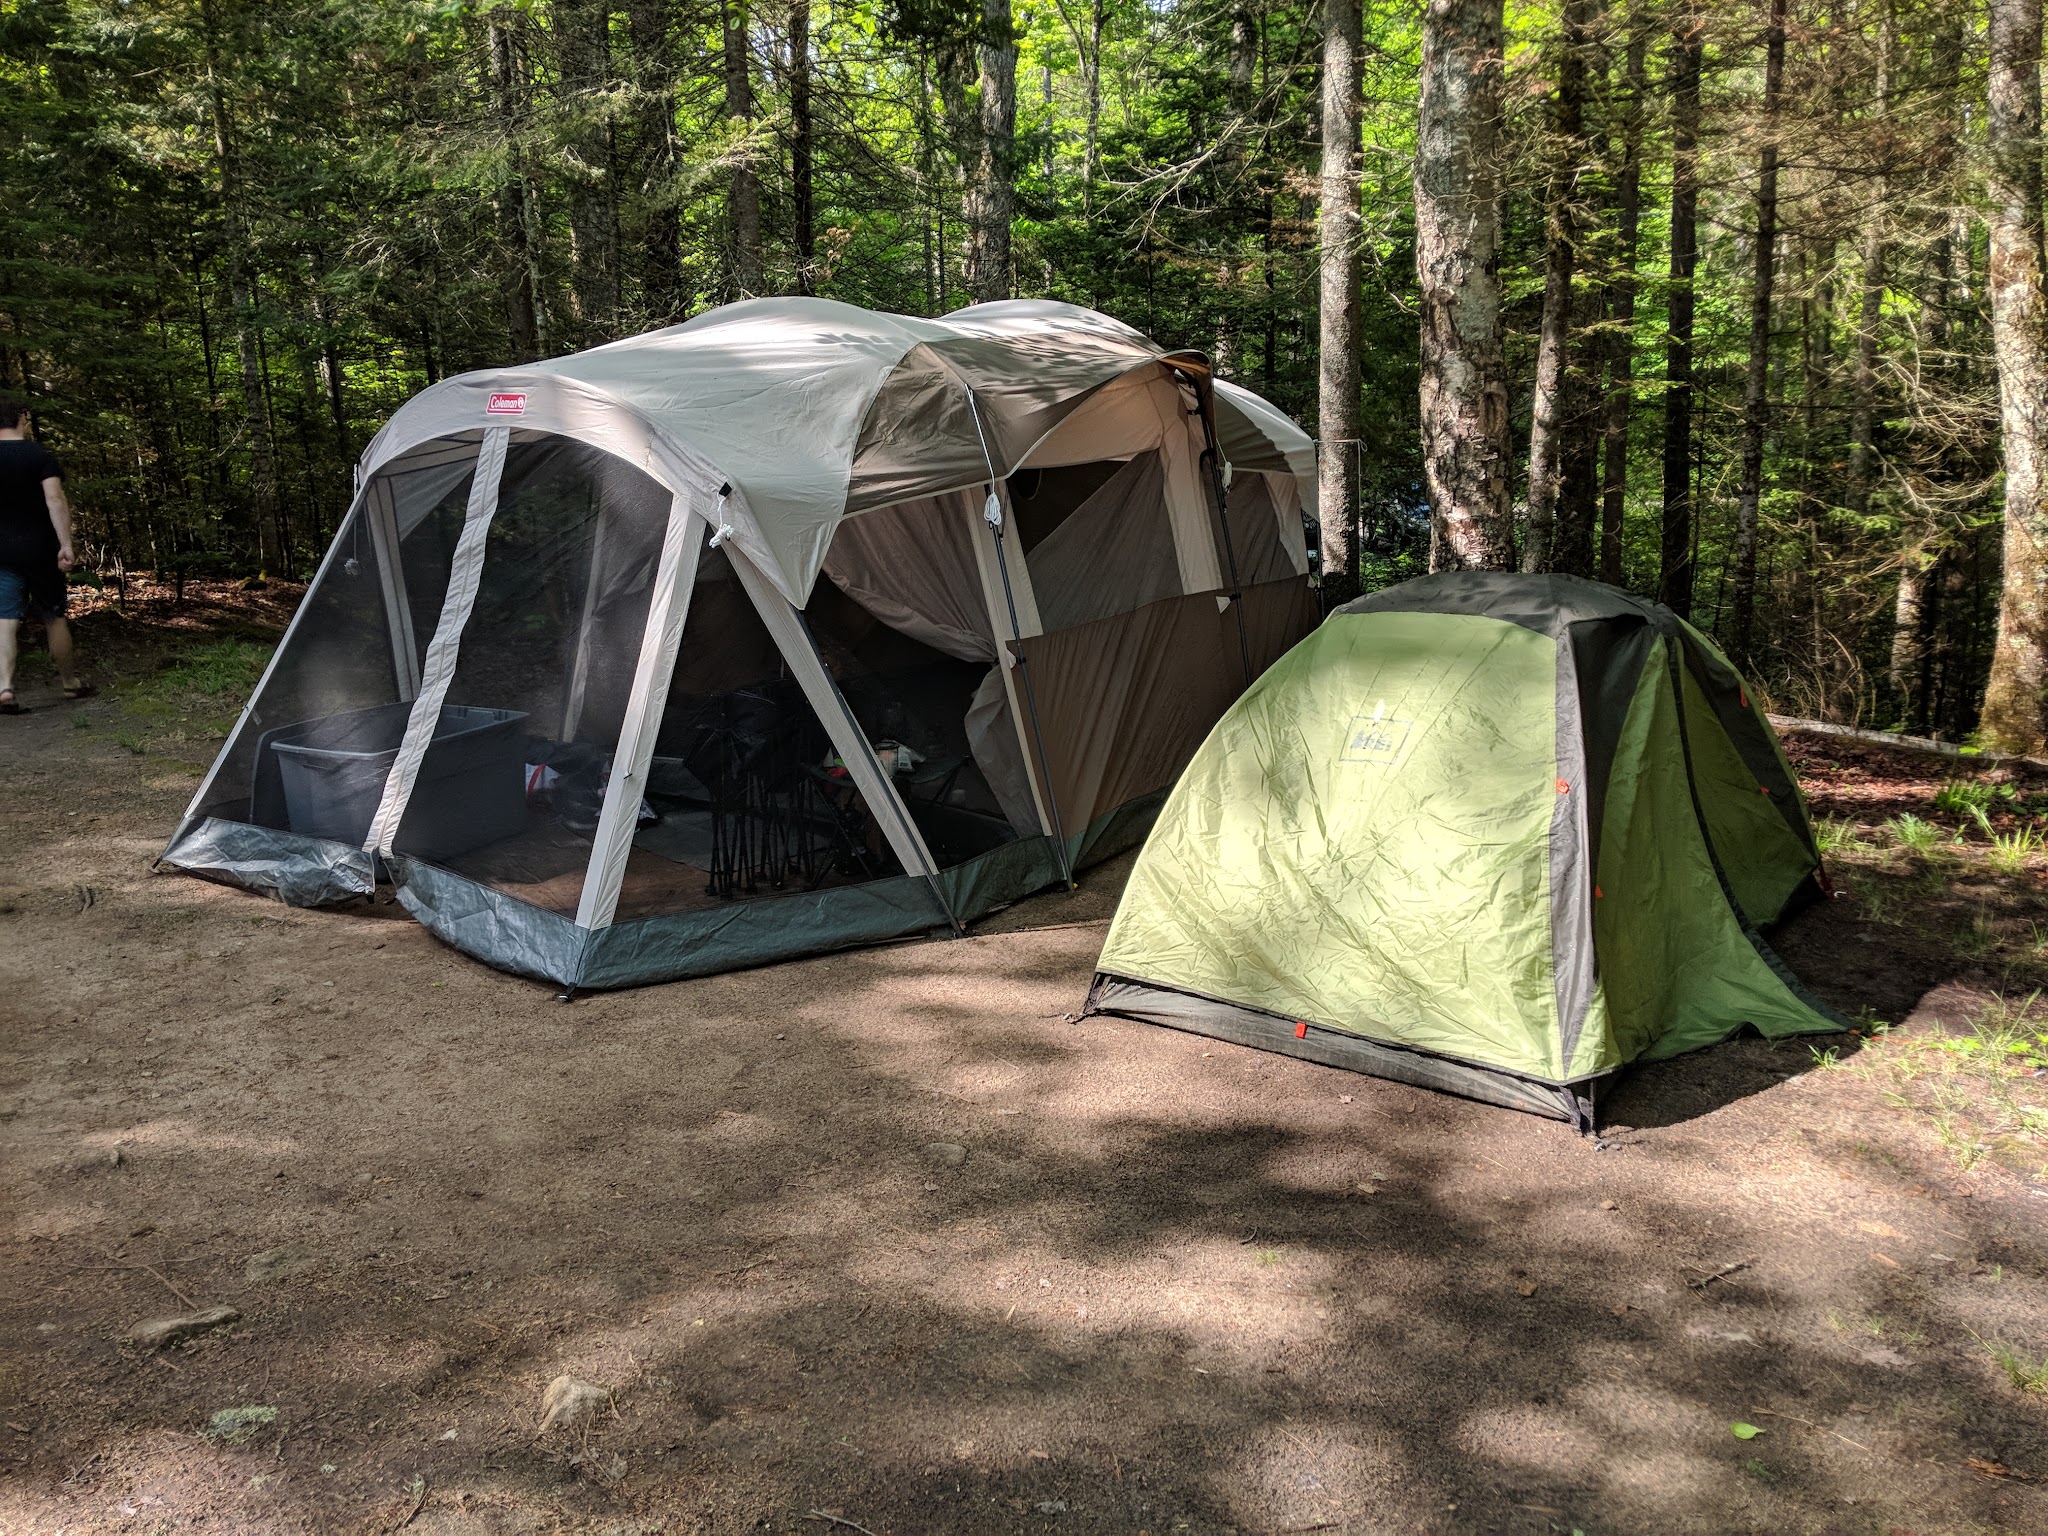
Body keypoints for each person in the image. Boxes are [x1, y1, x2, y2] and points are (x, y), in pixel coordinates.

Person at [0, 398, 90, 713]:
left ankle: (4, 688)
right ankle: (69, 682)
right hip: (41, 550)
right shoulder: (40, 455)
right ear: (21, 418)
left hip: (1, 552)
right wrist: (66, 544)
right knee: (54, 616)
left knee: (4, 618)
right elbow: (55, 499)